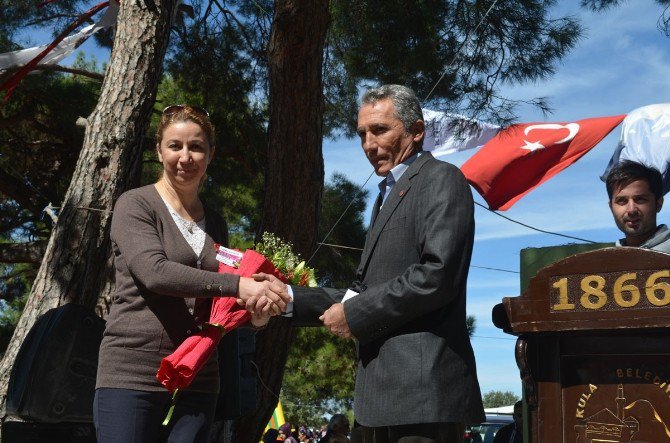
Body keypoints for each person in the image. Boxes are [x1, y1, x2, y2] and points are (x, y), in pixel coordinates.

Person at [253, 85, 484, 442]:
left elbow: (437, 274)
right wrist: (287, 297)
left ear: (417, 131)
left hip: (424, 397)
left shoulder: (442, 178)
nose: (368, 144)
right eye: (362, 134)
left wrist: (356, 314)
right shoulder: (385, 197)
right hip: (380, 401)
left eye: (380, 130)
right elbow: (360, 293)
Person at [93, 105, 288, 443]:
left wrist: (253, 314)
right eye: (175, 146)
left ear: (210, 155)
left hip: (199, 376)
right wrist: (238, 285)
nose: (186, 156)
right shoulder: (135, 204)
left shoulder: (216, 222)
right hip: (134, 372)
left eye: (196, 146)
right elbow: (155, 273)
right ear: (159, 151)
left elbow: (217, 303)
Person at [605, 160, 670, 252]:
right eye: (622, 201)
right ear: (611, 207)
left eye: (640, 199)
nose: (631, 210)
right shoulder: (606, 262)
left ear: (659, 203)